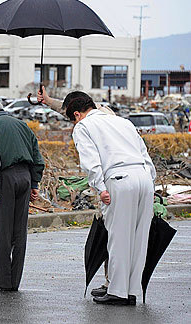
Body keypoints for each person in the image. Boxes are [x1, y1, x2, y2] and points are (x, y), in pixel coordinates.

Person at [67, 97, 156, 305]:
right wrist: (150, 182)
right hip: (143, 177)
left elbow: (90, 160)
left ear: (77, 115)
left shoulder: (83, 126)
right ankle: (132, 290)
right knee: (139, 238)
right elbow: (144, 154)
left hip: (119, 179)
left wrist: (100, 187)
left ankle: (117, 290)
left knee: (118, 238)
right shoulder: (124, 122)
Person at [37, 86, 112, 297]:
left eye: (73, 117)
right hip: (132, 180)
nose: (74, 122)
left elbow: (91, 161)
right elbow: (72, 109)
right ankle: (116, 283)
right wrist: (49, 101)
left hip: (112, 183)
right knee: (116, 237)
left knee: (111, 236)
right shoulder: (107, 116)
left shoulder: (96, 120)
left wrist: (101, 188)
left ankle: (113, 284)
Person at [0, 97, 44, 292]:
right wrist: (34, 182)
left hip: (5, 178)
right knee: (19, 231)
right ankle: (14, 281)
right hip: (24, 177)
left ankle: (2, 280)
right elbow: (37, 155)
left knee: (1, 231)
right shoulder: (22, 125)